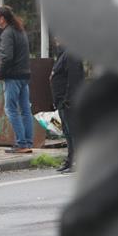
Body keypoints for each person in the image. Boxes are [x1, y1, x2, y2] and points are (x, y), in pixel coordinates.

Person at [0, 5, 33, 154]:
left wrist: (0, 73)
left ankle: (21, 143)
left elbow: (7, 57)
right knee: (25, 110)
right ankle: (28, 142)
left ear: (2, 19)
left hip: (13, 77)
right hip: (25, 75)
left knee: (10, 110)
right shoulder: (20, 30)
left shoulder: (7, 34)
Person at [50, 40, 84, 173]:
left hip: (68, 102)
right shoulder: (63, 54)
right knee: (68, 132)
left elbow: (74, 80)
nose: (56, 39)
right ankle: (70, 160)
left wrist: (68, 100)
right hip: (62, 101)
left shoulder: (71, 54)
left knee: (73, 132)